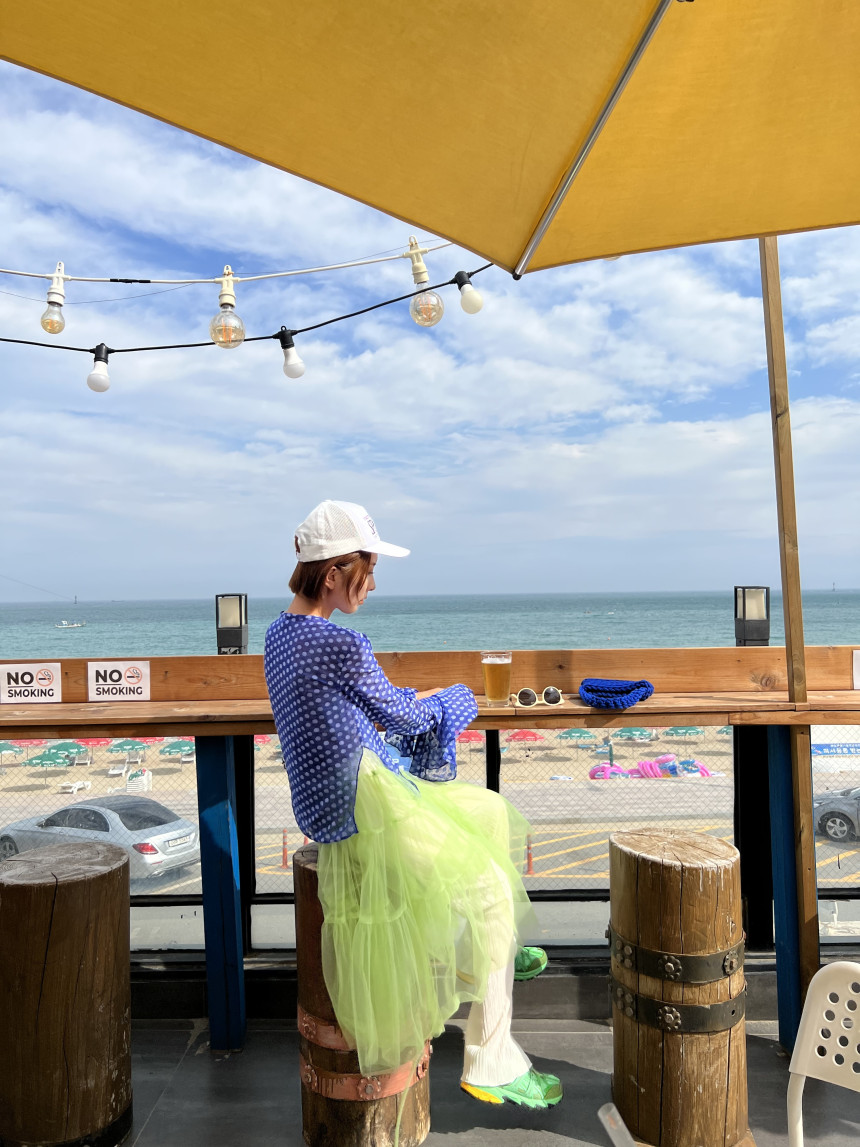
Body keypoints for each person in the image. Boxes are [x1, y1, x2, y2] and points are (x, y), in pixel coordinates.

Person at [264, 499, 562, 1109]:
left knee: (486, 815)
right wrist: (454, 698)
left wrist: (412, 699)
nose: (371, 586)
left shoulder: (279, 635)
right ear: (333, 574)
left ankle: (482, 958)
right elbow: (400, 715)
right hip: (365, 806)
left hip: (327, 799)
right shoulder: (340, 643)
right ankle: (491, 1062)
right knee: (489, 886)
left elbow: (356, 701)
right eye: (367, 573)